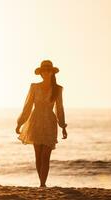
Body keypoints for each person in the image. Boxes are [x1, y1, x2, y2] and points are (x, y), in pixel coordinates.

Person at [15, 60, 68, 188]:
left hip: (50, 122)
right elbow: (27, 106)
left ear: (51, 72)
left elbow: (60, 108)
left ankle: (43, 183)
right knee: (38, 155)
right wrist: (20, 123)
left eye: (48, 70)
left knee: (45, 156)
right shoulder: (34, 87)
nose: (46, 72)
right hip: (35, 121)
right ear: (41, 73)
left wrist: (62, 126)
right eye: (44, 70)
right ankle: (41, 184)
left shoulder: (57, 89)